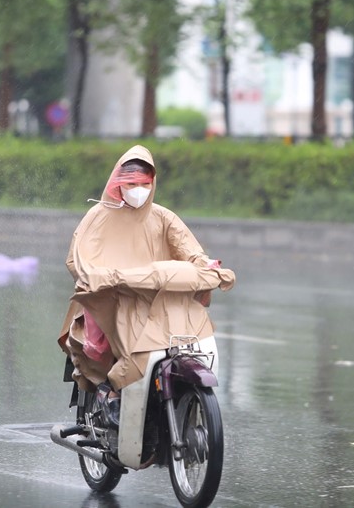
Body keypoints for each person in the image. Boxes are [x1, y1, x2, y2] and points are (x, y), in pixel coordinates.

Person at [57, 145, 235, 424]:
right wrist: (99, 278)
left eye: (144, 184)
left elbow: (189, 249)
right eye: (131, 184)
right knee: (109, 345)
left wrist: (205, 265)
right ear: (118, 183)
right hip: (112, 298)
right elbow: (78, 259)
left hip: (158, 296)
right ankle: (111, 391)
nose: (138, 190)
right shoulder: (98, 217)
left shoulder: (163, 217)